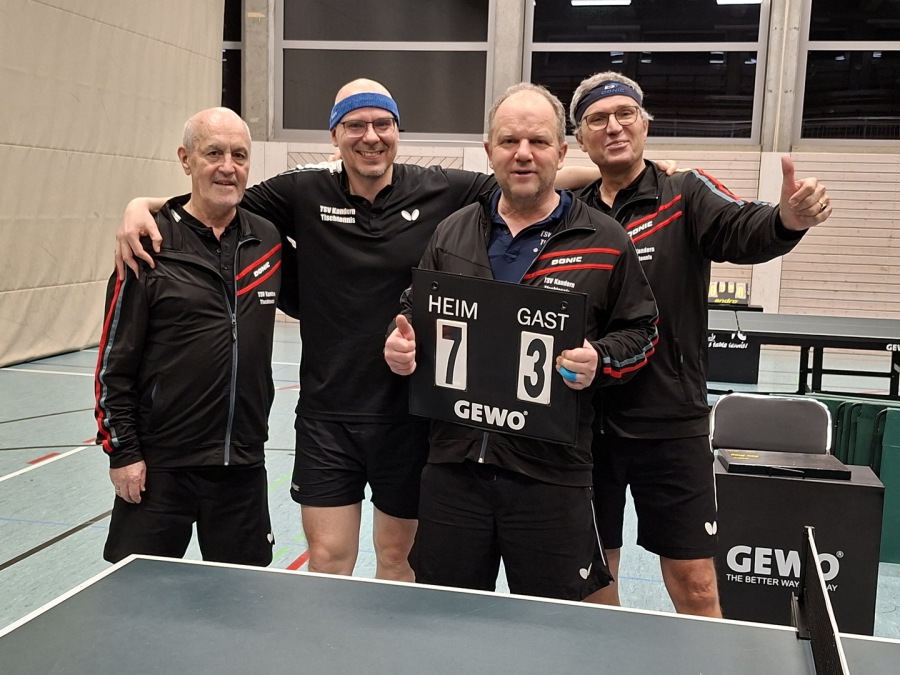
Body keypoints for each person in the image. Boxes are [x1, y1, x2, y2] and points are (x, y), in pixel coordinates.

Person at [114, 79, 610, 581]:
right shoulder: (301, 191)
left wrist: (617, 169)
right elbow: (217, 197)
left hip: (408, 416)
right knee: (329, 559)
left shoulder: (441, 188)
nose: (370, 136)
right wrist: (143, 206)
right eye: (355, 125)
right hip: (326, 416)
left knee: (398, 558)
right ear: (335, 135)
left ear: (397, 131)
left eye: (382, 124)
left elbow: (528, 176)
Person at [568, 72, 833, 616]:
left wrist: (786, 219)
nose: (613, 126)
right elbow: (518, 179)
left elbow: (742, 227)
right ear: (580, 136)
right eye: (597, 119)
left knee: (695, 584)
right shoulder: (571, 209)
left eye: (625, 114)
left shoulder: (684, 192)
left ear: (645, 124)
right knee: (594, 577)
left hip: (670, 421)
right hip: (586, 422)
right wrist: (585, 173)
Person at [383, 83, 659, 600]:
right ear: (490, 151)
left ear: (562, 151)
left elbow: (642, 332)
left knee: (554, 628)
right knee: (445, 619)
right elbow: (415, 311)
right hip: (455, 469)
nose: (523, 153)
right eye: (509, 141)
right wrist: (401, 347)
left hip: (552, 475)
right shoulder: (452, 232)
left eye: (538, 141)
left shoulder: (604, 239)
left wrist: (600, 359)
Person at [94, 107, 282, 565]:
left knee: (242, 597)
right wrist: (123, 453)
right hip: (160, 467)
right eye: (213, 153)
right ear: (186, 159)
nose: (228, 166)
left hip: (241, 464)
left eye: (239, 155)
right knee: (140, 596)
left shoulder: (267, 240)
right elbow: (114, 362)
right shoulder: (146, 245)